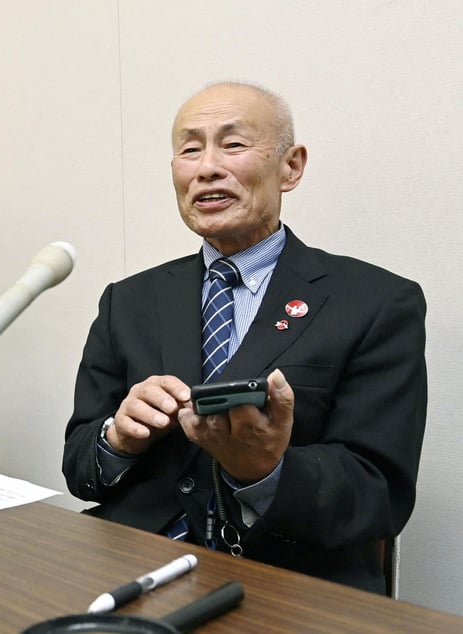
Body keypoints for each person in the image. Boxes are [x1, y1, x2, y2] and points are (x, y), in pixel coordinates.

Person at [62, 81, 427, 594]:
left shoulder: (376, 302)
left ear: (291, 167)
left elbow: (379, 496)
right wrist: (117, 439)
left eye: (233, 144)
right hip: (133, 565)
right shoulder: (128, 301)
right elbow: (80, 467)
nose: (207, 167)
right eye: (190, 149)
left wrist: (265, 470)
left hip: (289, 580)